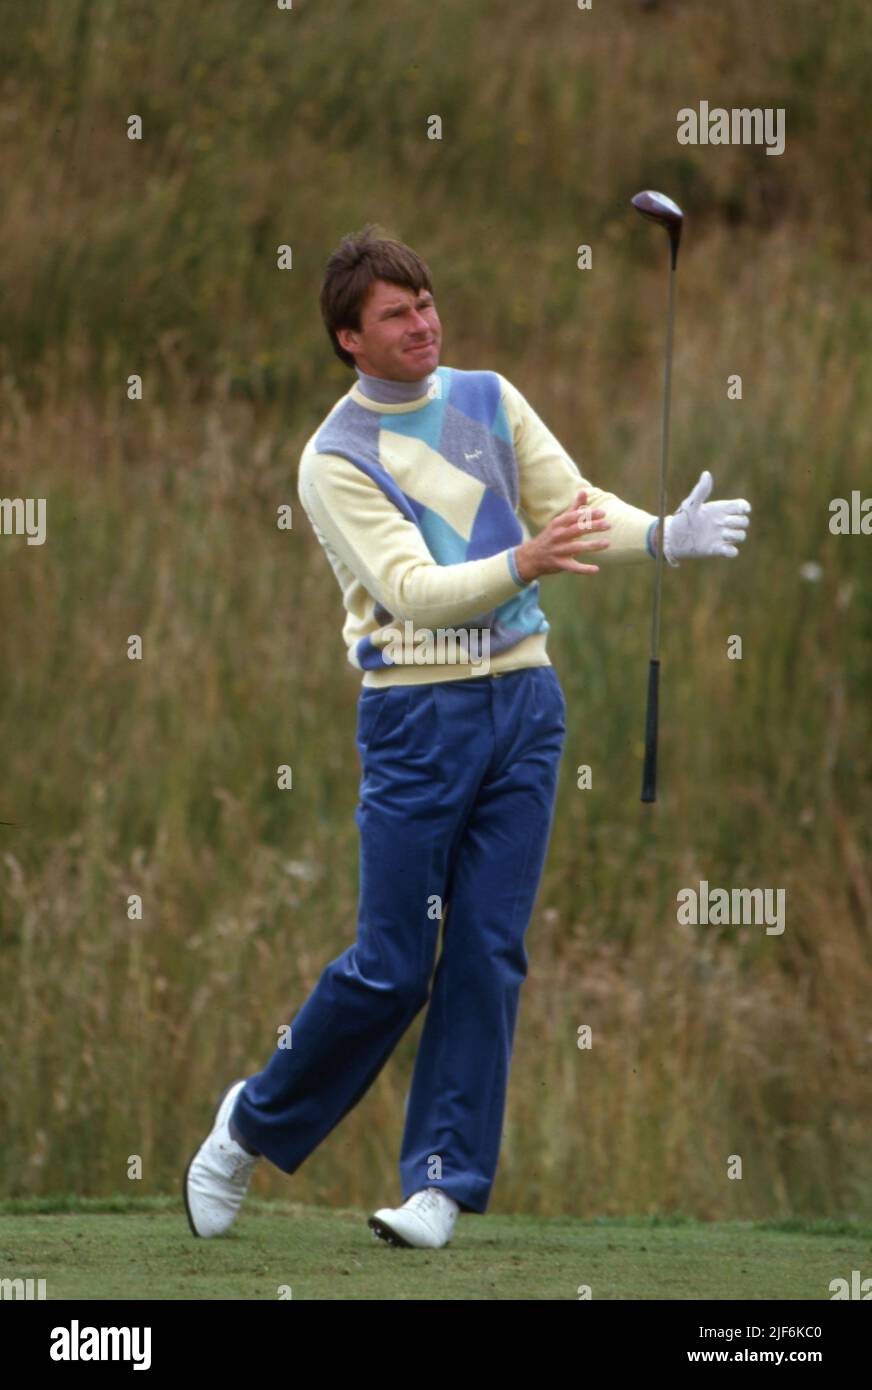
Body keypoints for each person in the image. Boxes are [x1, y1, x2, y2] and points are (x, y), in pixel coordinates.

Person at [184, 225, 751, 1248]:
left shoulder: (482, 400)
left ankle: (438, 1184)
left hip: (525, 711)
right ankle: (245, 1127)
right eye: (396, 315)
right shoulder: (336, 457)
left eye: (427, 302)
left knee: (486, 949)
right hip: (415, 719)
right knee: (392, 965)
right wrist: (523, 564)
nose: (423, 325)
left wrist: (659, 533)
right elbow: (412, 591)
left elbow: (568, 507)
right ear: (350, 340)